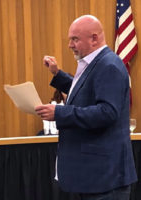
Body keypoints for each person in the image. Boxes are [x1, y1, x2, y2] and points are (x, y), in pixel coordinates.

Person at [35, 15, 137, 200]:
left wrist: (59, 113)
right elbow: (83, 91)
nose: (70, 45)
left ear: (94, 38)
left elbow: (107, 112)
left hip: (106, 179)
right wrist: (57, 74)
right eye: (70, 39)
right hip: (96, 176)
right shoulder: (97, 63)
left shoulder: (109, 66)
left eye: (75, 39)